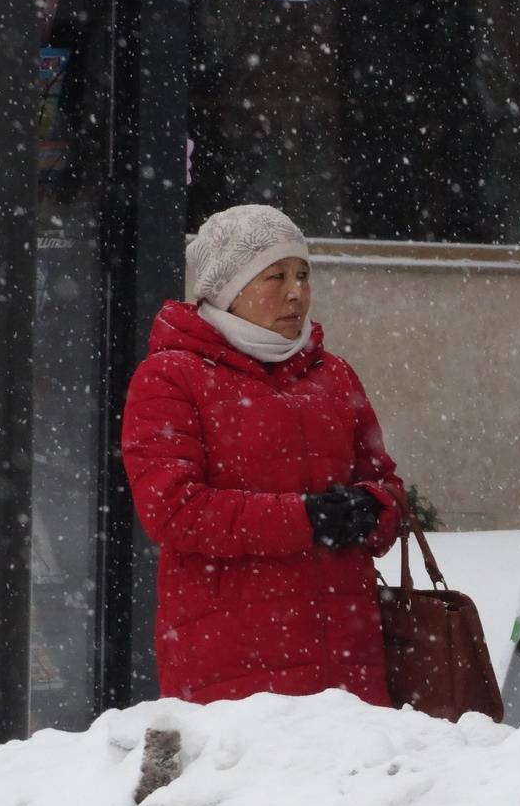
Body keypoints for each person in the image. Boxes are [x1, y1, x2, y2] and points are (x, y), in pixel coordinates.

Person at [122, 205, 404, 706]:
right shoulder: (170, 377)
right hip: (234, 670)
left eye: (303, 275)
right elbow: (175, 510)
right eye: (276, 276)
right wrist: (306, 518)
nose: (296, 292)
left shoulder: (333, 375)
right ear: (229, 288)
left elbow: (386, 484)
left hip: (347, 665)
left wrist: (370, 510)